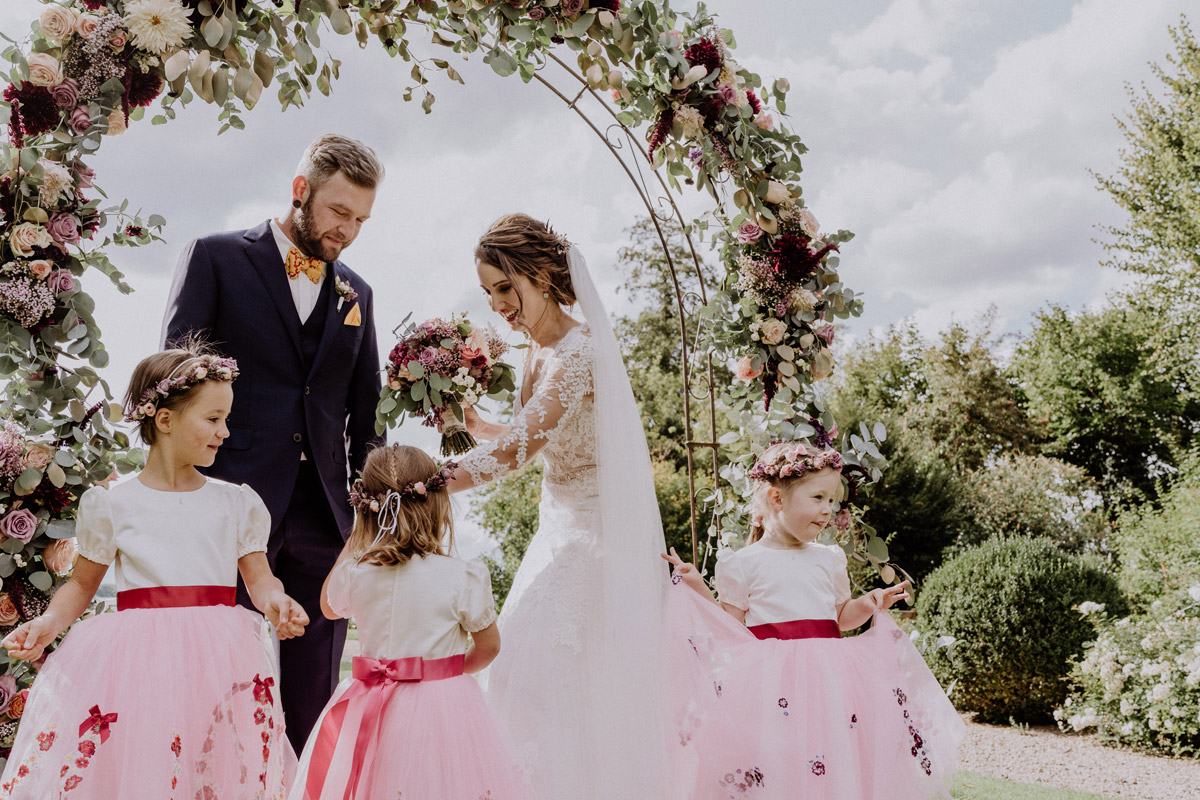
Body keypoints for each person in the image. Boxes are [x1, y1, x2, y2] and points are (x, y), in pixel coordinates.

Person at [0, 344, 307, 798]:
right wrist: (48, 622)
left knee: (215, 762)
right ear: (164, 420)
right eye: (212, 418)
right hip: (138, 663)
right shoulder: (113, 504)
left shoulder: (235, 502)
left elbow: (259, 579)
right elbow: (82, 584)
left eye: (226, 419)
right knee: (148, 761)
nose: (224, 431)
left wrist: (276, 600)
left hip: (218, 657)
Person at [161, 134, 384, 750]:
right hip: (226, 510)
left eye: (362, 220)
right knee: (213, 682)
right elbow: (174, 385)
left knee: (314, 698)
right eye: (340, 213)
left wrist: (371, 521)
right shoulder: (215, 257)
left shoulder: (357, 294)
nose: (348, 232)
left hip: (323, 519)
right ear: (300, 191)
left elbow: (366, 419)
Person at [445, 214, 674, 799]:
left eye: (505, 287)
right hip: (557, 531)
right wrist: (477, 425)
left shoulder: (577, 353)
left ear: (543, 277)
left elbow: (523, 449)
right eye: (489, 292)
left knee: (553, 679)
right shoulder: (538, 350)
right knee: (529, 681)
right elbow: (531, 435)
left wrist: (424, 483)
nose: (498, 304)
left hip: (592, 542)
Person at [663, 439, 964, 799]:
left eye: (832, 501)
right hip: (770, 687)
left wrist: (868, 604)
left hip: (830, 684)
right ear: (776, 499)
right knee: (778, 762)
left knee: (834, 758)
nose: (828, 511)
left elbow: (839, 617)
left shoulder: (829, 557)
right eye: (818, 498)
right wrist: (699, 588)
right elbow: (731, 632)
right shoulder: (741, 563)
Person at [290, 444, 529, 800]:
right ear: (436, 503)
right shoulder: (462, 575)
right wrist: (448, 672)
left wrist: (359, 535)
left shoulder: (356, 573)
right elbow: (489, 647)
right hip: (442, 703)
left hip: (369, 700)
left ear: (366, 510)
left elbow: (327, 605)